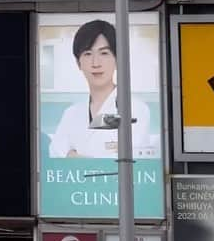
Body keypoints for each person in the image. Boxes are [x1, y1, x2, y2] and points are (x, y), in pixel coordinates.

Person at [49, 19, 152, 158]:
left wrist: (74, 156)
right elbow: (56, 151)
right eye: (87, 54)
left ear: (117, 59)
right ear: (78, 63)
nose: (95, 63)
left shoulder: (137, 109)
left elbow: (135, 157)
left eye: (104, 53)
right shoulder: (71, 113)